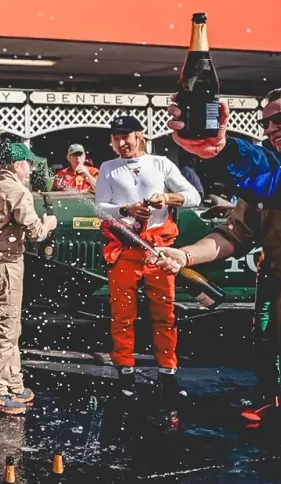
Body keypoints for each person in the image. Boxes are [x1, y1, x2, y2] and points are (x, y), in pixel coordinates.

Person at [156, 85, 281, 416]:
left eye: (280, 118)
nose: (270, 129)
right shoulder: (273, 176)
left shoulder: (280, 174)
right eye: (265, 123)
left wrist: (221, 147)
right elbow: (235, 234)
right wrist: (184, 255)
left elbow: (280, 177)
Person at [95, 115, 200, 399]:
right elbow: (100, 207)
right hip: (125, 248)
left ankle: (168, 374)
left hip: (159, 252)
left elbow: (193, 196)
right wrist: (125, 210)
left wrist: (166, 198)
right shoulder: (108, 167)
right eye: (116, 138)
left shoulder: (161, 163)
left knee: (165, 315)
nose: (121, 143)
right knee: (122, 315)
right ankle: (125, 374)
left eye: (126, 137)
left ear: (139, 135)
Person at [0, 142, 57, 415]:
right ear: (17, 165)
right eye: (29, 164)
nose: (31, 170)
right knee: (4, 330)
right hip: (6, 266)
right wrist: (49, 224)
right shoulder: (17, 191)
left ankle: (14, 383)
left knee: (8, 325)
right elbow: (36, 232)